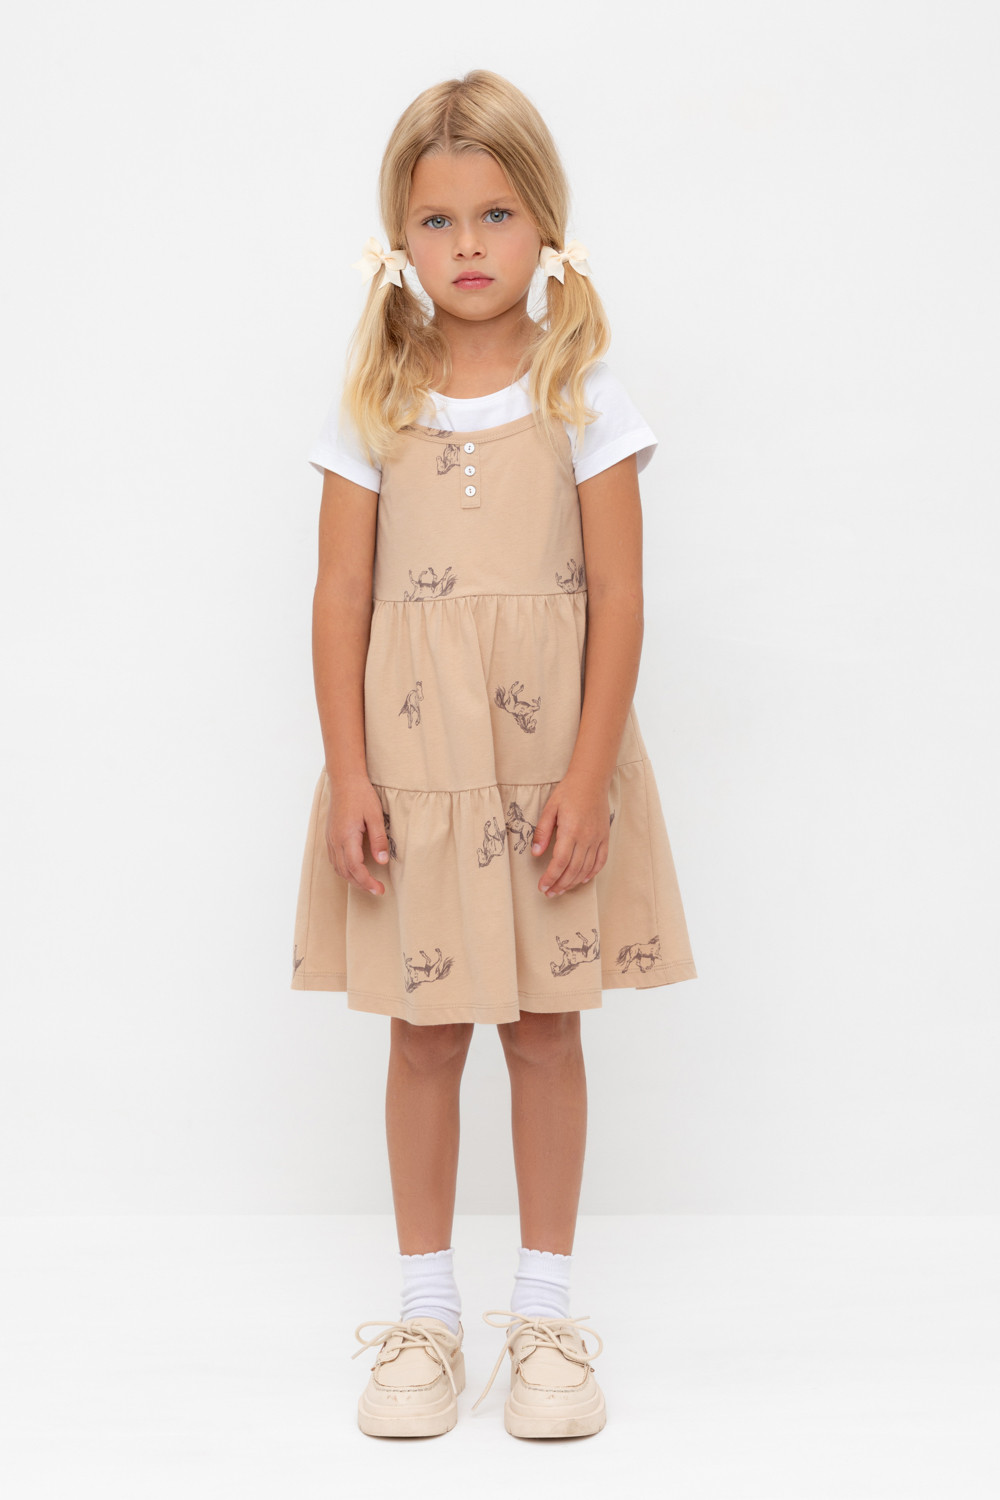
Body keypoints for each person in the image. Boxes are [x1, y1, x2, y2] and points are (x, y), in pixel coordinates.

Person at [290, 68, 698, 1439]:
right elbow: (340, 598)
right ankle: (424, 1318)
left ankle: (545, 1319)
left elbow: (620, 600)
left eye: (496, 215)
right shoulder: (375, 397)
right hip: (411, 774)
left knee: (542, 1032)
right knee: (421, 1037)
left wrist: (587, 780)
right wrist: (351, 775)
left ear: (545, 225)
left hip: (545, 777)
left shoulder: (585, 392)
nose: (468, 245)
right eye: (438, 220)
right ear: (400, 237)